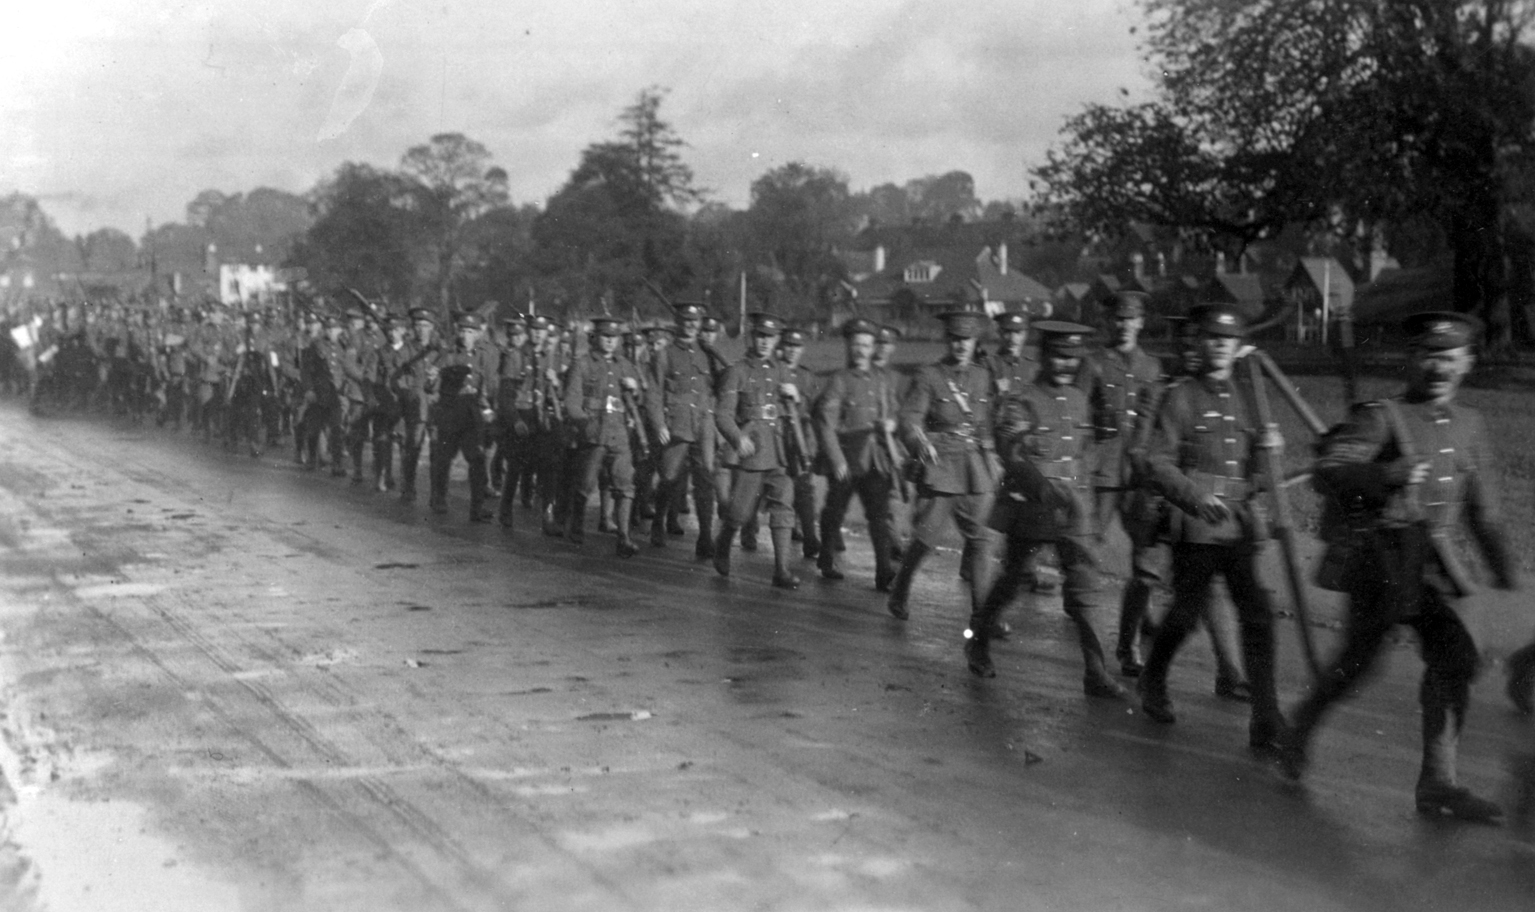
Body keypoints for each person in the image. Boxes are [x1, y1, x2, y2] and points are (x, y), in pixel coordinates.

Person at [1280, 311, 1517, 823]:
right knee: (1359, 662)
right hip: (1382, 561)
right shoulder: (1380, 415)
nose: (1440, 367)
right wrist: (1387, 473)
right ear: (1411, 360)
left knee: (1455, 658)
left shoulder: (1471, 424)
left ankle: (1439, 782)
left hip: (1440, 568)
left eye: (1451, 357)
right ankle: (1299, 729)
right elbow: (1330, 471)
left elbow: (1485, 511)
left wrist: (1507, 575)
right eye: (1429, 356)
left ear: (1468, 362)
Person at [1135, 302, 1287, 756]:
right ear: (1199, 344)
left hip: (1238, 524)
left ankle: (1267, 716)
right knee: (1186, 613)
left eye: (1228, 340)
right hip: (1197, 523)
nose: (1220, 348)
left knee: (1257, 613)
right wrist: (1194, 496)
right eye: (1212, 339)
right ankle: (1153, 677)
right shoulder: (1180, 396)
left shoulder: (1249, 398)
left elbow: (1258, 476)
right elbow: (1155, 460)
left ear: (1238, 346)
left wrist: (1269, 451)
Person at [964, 320, 1126, 698]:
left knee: (1085, 584)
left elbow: (1088, 446)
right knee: (1014, 580)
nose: (1066, 365)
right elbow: (1011, 454)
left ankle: (1096, 673)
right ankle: (978, 640)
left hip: (1073, 507)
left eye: (1073, 359)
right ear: (1043, 355)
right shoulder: (1023, 402)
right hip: (1034, 505)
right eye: (1058, 356)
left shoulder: (1079, 399)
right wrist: (1042, 485)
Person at [887, 310, 998, 623]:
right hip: (941, 466)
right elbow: (909, 420)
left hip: (974, 468)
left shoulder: (981, 376)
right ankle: (901, 587)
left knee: (980, 540)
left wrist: (991, 452)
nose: (961, 345)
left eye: (967, 339)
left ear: (975, 341)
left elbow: (983, 422)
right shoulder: (929, 376)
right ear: (947, 340)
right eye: (956, 339)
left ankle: (982, 613)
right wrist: (920, 443)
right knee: (926, 539)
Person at [1084, 292, 1164, 675]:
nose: (1124, 325)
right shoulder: (1095, 363)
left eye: (1131, 319)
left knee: (1145, 556)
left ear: (1141, 322)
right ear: (1110, 322)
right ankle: (1082, 611)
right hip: (1103, 468)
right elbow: (1078, 413)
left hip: (1139, 472)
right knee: (1087, 544)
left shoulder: (1152, 366)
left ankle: (1130, 641)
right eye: (1118, 318)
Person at [712, 312, 805, 589]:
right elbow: (723, 415)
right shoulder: (737, 372)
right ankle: (724, 542)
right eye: (761, 336)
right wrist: (737, 439)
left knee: (783, 508)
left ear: (777, 340)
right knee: (739, 514)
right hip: (752, 455)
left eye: (771, 338)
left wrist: (796, 398)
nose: (765, 343)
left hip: (778, 454)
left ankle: (781, 570)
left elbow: (794, 414)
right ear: (752, 337)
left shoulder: (782, 371)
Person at [813, 318, 900, 590]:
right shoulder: (839, 381)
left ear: (874, 346)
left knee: (879, 515)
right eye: (856, 344)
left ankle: (884, 571)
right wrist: (836, 460)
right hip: (847, 458)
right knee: (834, 511)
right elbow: (826, 423)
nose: (861, 350)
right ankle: (826, 558)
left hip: (874, 458)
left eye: (866, 344)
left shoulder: (882, 379)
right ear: (848, 346)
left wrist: (892, 424)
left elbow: (894, 411)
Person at [562, 317, 645, 557]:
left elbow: (637, 401)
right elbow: (572, 402)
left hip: (619, 433)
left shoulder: (625, 365)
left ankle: (624, 537)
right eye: (605, 336)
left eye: (614, 337)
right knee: (585, 484)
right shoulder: (583, 364)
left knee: (625, 485)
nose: (610, 341)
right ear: (595, 338)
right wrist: (585, 425)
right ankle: (576, 524)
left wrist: (635, 388)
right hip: (594, 433)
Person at [644, 302, 717, 557]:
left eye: (695, 321)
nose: (691, 325)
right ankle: (658, 522)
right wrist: (659, 424)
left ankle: (706, 537)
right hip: (677, 424)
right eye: (686, 320)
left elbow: (716, 387)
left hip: (704, 423)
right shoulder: (664, 355)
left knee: (705, 479)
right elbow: (653, 392)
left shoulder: (708, 353)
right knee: (669, 477)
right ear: (678, 322)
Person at [427, 312, 499, 521]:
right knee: (444, 458)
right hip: (449, 413)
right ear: (457, 332)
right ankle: (439, 498)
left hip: (472, 416)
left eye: (470, 332)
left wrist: (488, 411)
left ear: (477, 334)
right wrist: (432, 378)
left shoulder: (483, 355)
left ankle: (477, 507)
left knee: (476, 460)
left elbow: (488, 385)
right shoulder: (447, 354)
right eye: (463, 331)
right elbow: (429, 385)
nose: (465, 336)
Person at [777, 326, 822, 560]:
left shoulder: (807, 376)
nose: (792, 351)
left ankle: (810, 538)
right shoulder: (773, 370)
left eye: (797, 347)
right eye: (788, 346)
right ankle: (749, 530)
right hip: (776, 438)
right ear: (780, 347)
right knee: (771, 489)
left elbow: (815, 408)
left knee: (805, 489)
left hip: (800, 439)